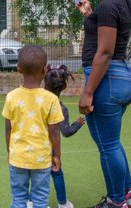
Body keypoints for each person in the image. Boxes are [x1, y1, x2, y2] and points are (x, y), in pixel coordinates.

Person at [75, 0, 131, 208]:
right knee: (112, 141)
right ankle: (128, 191)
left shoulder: (109, 6)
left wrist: (87, 92)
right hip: (123, 75)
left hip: (107, 78)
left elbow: (104, 52)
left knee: (107, 145)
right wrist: (88, 12)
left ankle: (116, 202)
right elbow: (103, 35)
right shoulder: (122, 3)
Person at [2, 45, 64, 208]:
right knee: (40, 200)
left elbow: (8, 128)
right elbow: (55, 130)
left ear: (18, 69)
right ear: (45, 70)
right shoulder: (51, 99)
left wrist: (10, 150)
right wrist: (57, 155)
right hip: (41, 159)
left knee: (18, 198)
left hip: (18, 157)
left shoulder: (11, 97)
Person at [44, 64, 86, 208]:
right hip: (51, 148)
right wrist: (78, 124)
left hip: (33, 145)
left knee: (36, 174)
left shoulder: (35, 100)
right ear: (64, 86)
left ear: (44, 82)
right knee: (56, 173)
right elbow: (65, 132)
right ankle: (62, 203)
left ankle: (35, 202)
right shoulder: (61, 108)